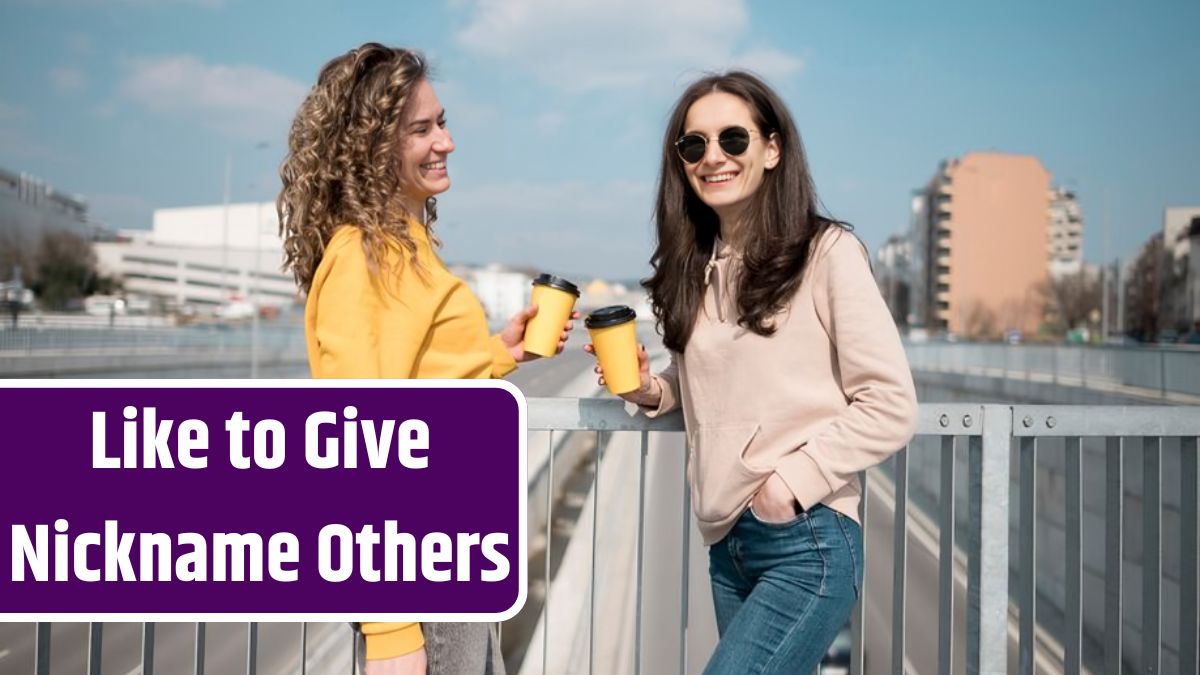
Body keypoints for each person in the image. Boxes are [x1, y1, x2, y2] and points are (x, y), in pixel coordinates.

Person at [591, 71, 918, 673]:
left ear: (772, 149)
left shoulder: (827, 253)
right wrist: (650, 389)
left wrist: (787, 488)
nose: (712, 157)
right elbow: (715, 387)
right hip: (727, 545)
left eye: (733, 140)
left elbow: (891, 404)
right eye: (694, 145)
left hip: (806, 539)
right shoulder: (700, 266)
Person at [278, 43, 575, 675]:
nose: (446, 141)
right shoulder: (363, 256)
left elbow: (422, 385)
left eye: (441, 122)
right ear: (370, 148)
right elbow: (352, 445)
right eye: (422, 129)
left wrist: (496, 354)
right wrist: (389, 629)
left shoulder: (407, 247)